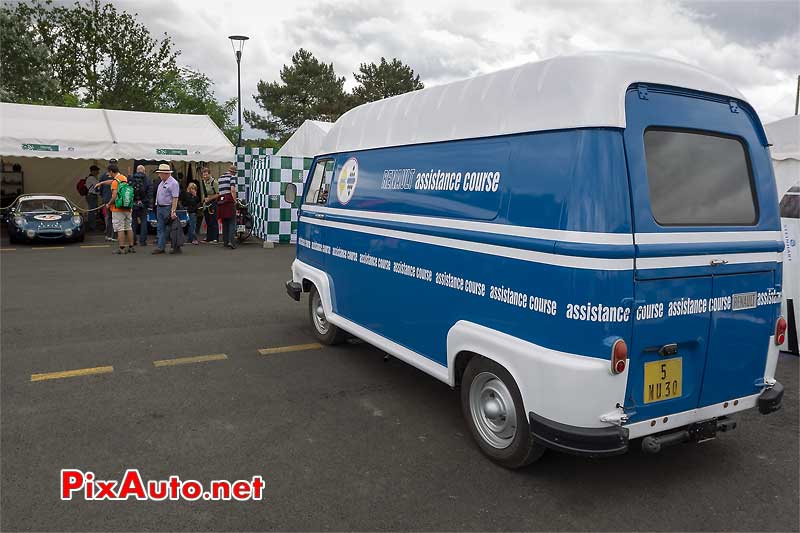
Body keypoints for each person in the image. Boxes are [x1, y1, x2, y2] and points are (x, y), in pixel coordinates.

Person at [104, 163, 134, 254]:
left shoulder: (115, 182)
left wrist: (109, 204)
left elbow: (114, 196)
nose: (108, 174)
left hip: (118, 208)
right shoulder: (124, 178)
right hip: (127, 206)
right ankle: (131, 247)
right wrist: (102, 183)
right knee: (128, 227)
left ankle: (121, 248)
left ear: (111, 171)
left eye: (109, 172)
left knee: (120, 228)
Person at [152, 163, 181, 255]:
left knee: (170, 229)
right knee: (160, 228)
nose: (159, 175)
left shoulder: (174, 183)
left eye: (160, 173)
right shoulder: (162, 182)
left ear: (166, 173)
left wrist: (173, 211)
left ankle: (175, 246)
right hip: (160, 207)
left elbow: (175, 198)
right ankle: (161, 247)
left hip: (167, 207)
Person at [129, 165, 152, 246]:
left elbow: (128, 191)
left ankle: (133, 240)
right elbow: (150, 193)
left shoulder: (131, 177)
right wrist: (144, 201)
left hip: (133, 203)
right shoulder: (148, 179)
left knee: (133, 222)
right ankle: (142, 241)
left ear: (136, 170)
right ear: (144, 171)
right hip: (143, 204)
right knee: (144, 222)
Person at [217, 164, 237, 249]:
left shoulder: (220, 178)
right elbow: (232, 190)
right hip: (229, 201)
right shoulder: (231, 177)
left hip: (221, 202)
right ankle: (231, 242)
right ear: (233, 172)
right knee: (232, 222)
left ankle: (225, 241)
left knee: (225, 222)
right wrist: (235, 200)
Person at [199, 167, 219, 244]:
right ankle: (209, 237)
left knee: (213, 220)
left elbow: (218, 194)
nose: (205, 176)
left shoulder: (214, 182)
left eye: (206, 175)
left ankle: (215, 238)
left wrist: (210, 199)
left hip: (213, 203)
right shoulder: (203, 182)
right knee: (208, 221)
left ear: (209, 174)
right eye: (203, 175)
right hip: (206, 204)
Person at [98, 160, 117, 241]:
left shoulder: (103, 176)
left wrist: (103, 196)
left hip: (106, 199)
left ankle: (108, 235)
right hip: (115, 199)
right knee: (114, 218)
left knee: (108, 218)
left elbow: (100, 189)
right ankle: (113, 236)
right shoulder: (118, 176)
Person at [84, 165, 100, 231]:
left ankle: (92, 225)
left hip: (90, 195)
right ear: (93, 171)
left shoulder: (89, 178)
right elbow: (97, 186)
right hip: (92, 196)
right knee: (92, 211)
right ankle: (92, 226)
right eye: (97, 171)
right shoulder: (92, 178)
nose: (98, 172)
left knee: (92, 211)